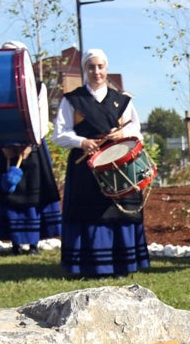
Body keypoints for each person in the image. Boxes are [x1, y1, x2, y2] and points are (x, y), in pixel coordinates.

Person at [53, 48, 149, 276]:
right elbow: (59, 134)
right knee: (88, 211)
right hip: (85, 168)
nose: (96, 72)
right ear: (85, 70)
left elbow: (136, 130)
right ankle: (87, 265)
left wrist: (121, 136)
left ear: (107, 68)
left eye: (101, 67)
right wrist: (82, 142)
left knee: (119, 212)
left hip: (119, 165)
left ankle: (123, 264)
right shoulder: (73, 100)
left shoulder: (122, 101)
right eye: (91, 67)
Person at [0, 40, 60, 254]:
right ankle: (15, 242)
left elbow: (41, 117)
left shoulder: (38, 85)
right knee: (9, 198)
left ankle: (33, 243)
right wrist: (1, 144)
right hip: (3, 147)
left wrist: (30, 144)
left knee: (32, 198)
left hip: (31, 148)